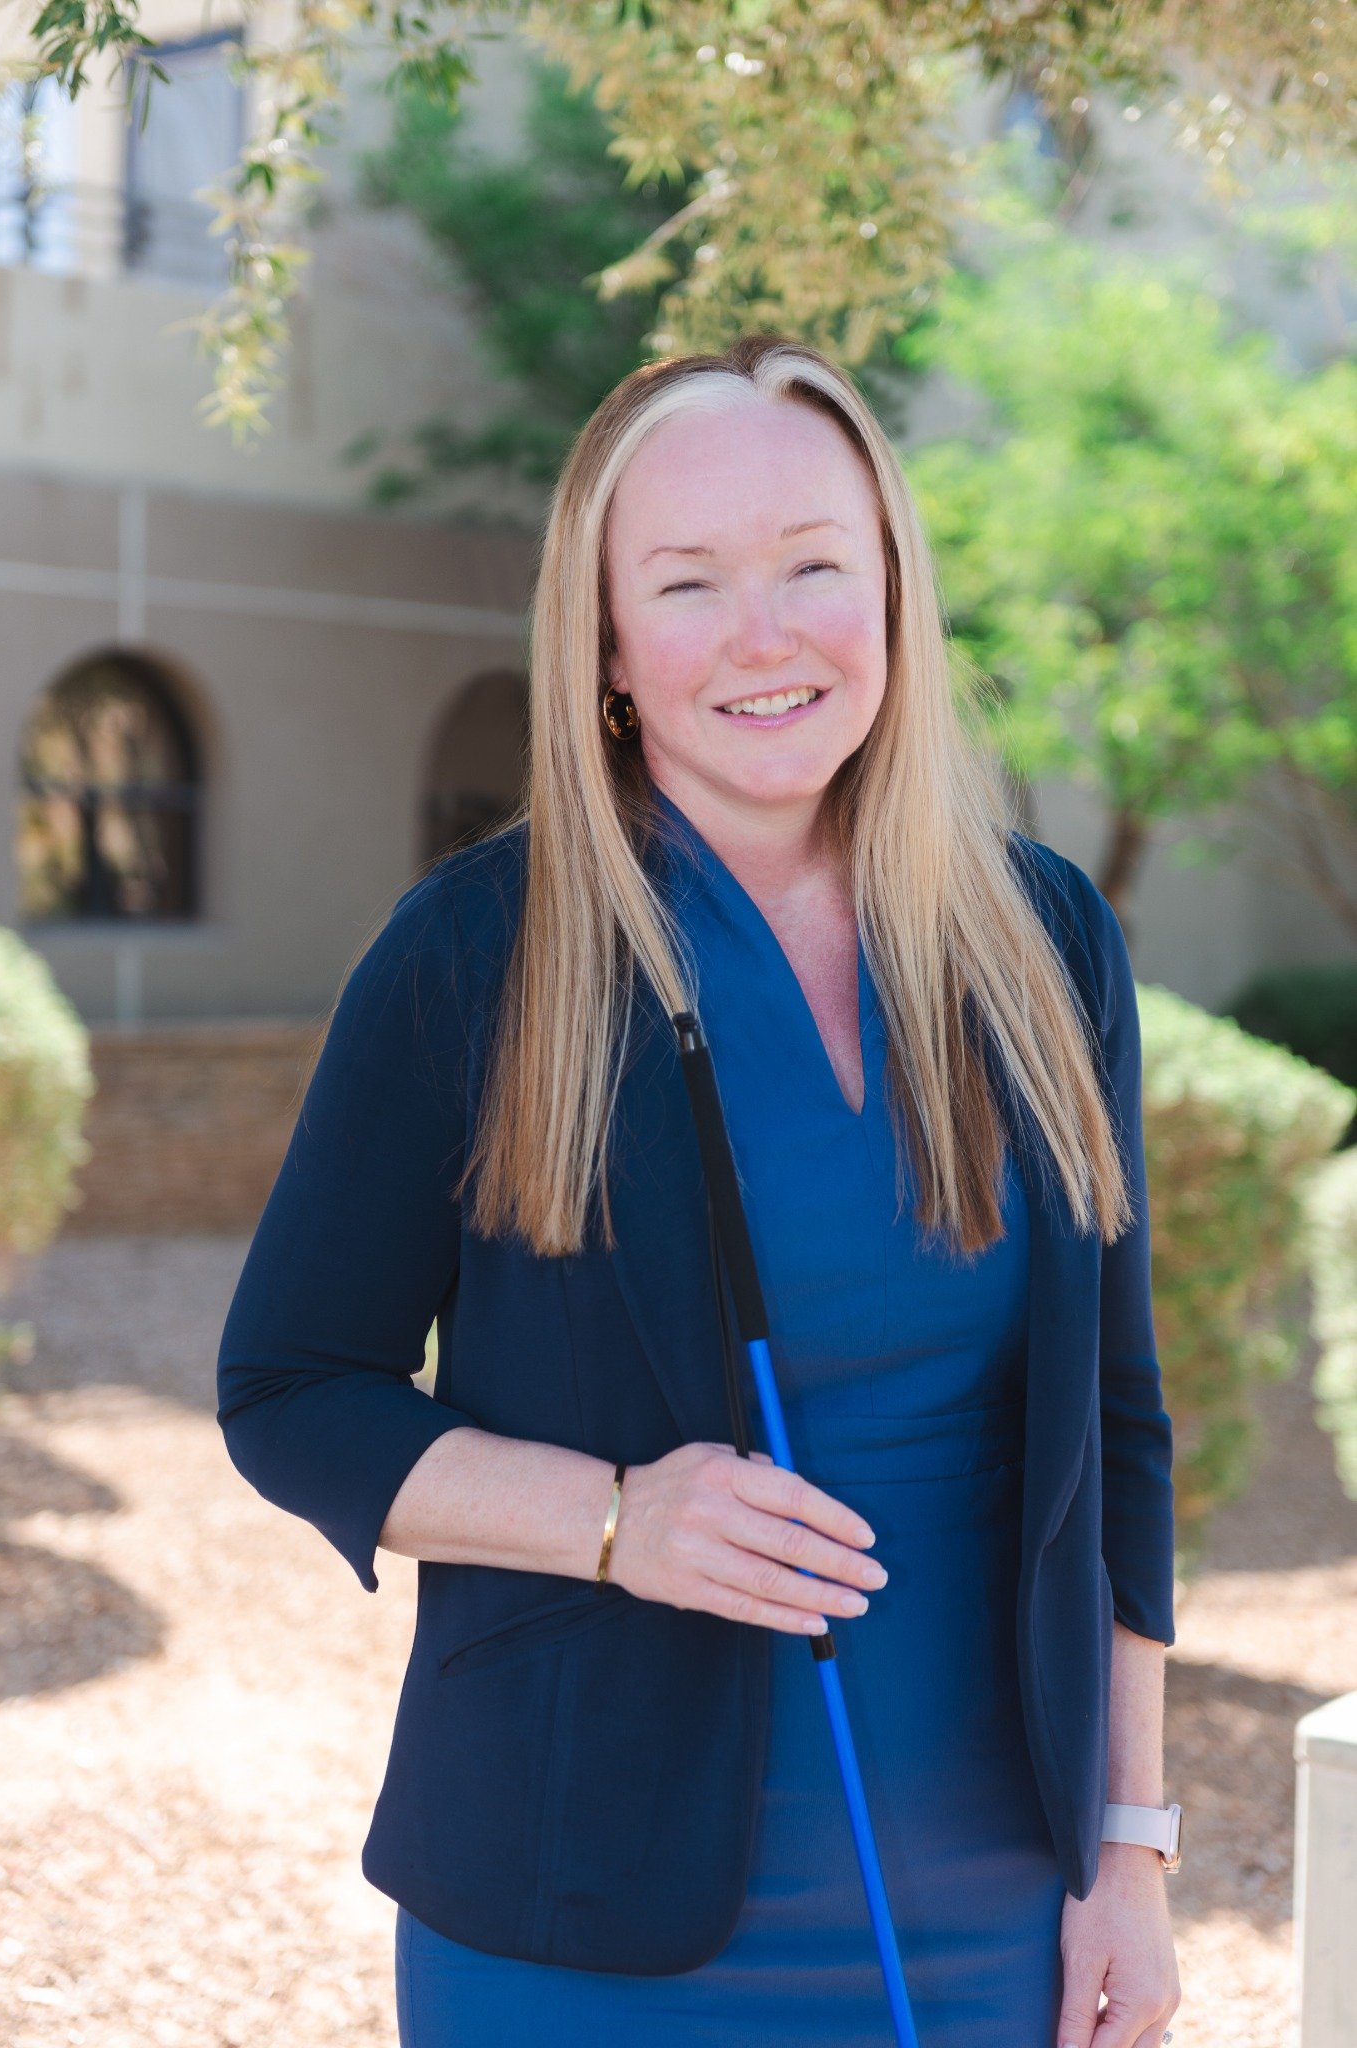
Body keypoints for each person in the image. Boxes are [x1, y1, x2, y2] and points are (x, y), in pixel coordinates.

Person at [216, 334, 1182, 2048]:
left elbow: (1116, 1427)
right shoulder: (475, 952)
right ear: (603, 641)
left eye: (816, 563)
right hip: (579, 1914)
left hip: (997, 1907)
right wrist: (611, 1519)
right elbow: (290, 1393)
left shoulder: (1047, 940)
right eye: (686, 582)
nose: (764, 633)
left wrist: (1135, 1849)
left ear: (891, 584)